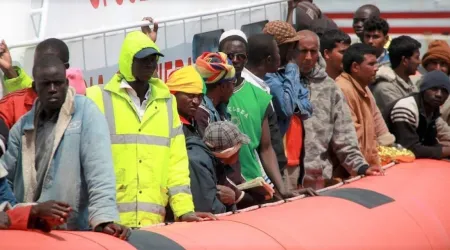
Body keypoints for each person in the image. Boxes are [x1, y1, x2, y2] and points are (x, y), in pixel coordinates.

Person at [86, 31, 214, 228]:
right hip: (110, 222)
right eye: (144, 59)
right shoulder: (97, 97)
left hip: (152, 223)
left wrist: (184, 210)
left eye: (154, 59)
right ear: (128, 60)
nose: (150, 64)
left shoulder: (167, 102)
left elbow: (177, 162)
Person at [0, 55, 129, 237]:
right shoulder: (21, 128)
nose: (53, 89)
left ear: (66, 84)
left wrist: (103, 219)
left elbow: (100, 172)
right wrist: (27, 214)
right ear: (35, 87)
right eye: (46, 84)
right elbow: (5, 182)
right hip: (31, 233)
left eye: (58, 83)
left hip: (77, 232)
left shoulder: (86, 113)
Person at [294, 30, 381, 189]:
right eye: (302, 51)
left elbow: (344, 135)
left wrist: (361, 167)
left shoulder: (329, 88)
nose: (308, 57)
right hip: (288, 182)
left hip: (319, 180)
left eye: (313, 51)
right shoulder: (278, 85)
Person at [219, 31, 292, 198]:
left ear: (246, 59)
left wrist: (282, 189)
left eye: (241, 56)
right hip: (224, 185)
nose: (235, 60)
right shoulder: (208, 92)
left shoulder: (260, 96)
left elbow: (266, 149)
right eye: (230, 55)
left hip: (253, 183)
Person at [263, 20, 313, 191]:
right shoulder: (269, 77)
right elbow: (286, 109)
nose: (294, 51)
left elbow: (307, 107)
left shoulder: (288, 74)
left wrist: (294, 102)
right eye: (291, 46)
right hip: (272, 153)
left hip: (288, 155)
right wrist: (292, 67)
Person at [0, 39, 86, 130]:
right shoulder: (12, 105)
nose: (45, 69)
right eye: (39, 65)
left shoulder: (82, 105)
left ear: (65, 68)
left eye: (52, 64)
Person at [240, 34, 288, 177]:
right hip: (264, 174)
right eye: (278, 52)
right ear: (269, 59)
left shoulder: (261, 84)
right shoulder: (249, 88)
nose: (280, 57)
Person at [188, 121, 261, 213]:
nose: (239, 154)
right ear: (228, 153)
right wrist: (228, 203)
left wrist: (231, 198)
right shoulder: (198, 163)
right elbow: (208, 208)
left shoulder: (214, 161)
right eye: (238, 150)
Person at [385, 70, 450, 159]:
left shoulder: (432, 110)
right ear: (424, 90)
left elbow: (429, 143)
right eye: (434, 89)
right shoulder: (406, 108)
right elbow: (410, 149)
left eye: (444, 91)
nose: (439, 94)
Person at [336, 43, 381, 168]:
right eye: (371, 64)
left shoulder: (363, 88)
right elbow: (349, 138)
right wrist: (361, 168)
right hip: (349, 171)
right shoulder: (343, 89)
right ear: (355, 67)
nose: (376, 68)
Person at [371, 36, 421, 114]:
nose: (419, 62)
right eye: (417, 58)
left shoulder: (409, 81)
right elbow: (405, 115)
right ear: (405, 60)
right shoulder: (385, 88)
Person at [194, 52, 235, 136]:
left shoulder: (220, 109)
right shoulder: (201, 114)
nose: (233, 89)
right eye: (233, 83)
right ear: (223, 86)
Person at [166, 65, 204, 138]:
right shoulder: (165, 124)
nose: (196, 101)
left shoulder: (194, 122)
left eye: (199, 96)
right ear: (173, 94)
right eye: (190, 95)